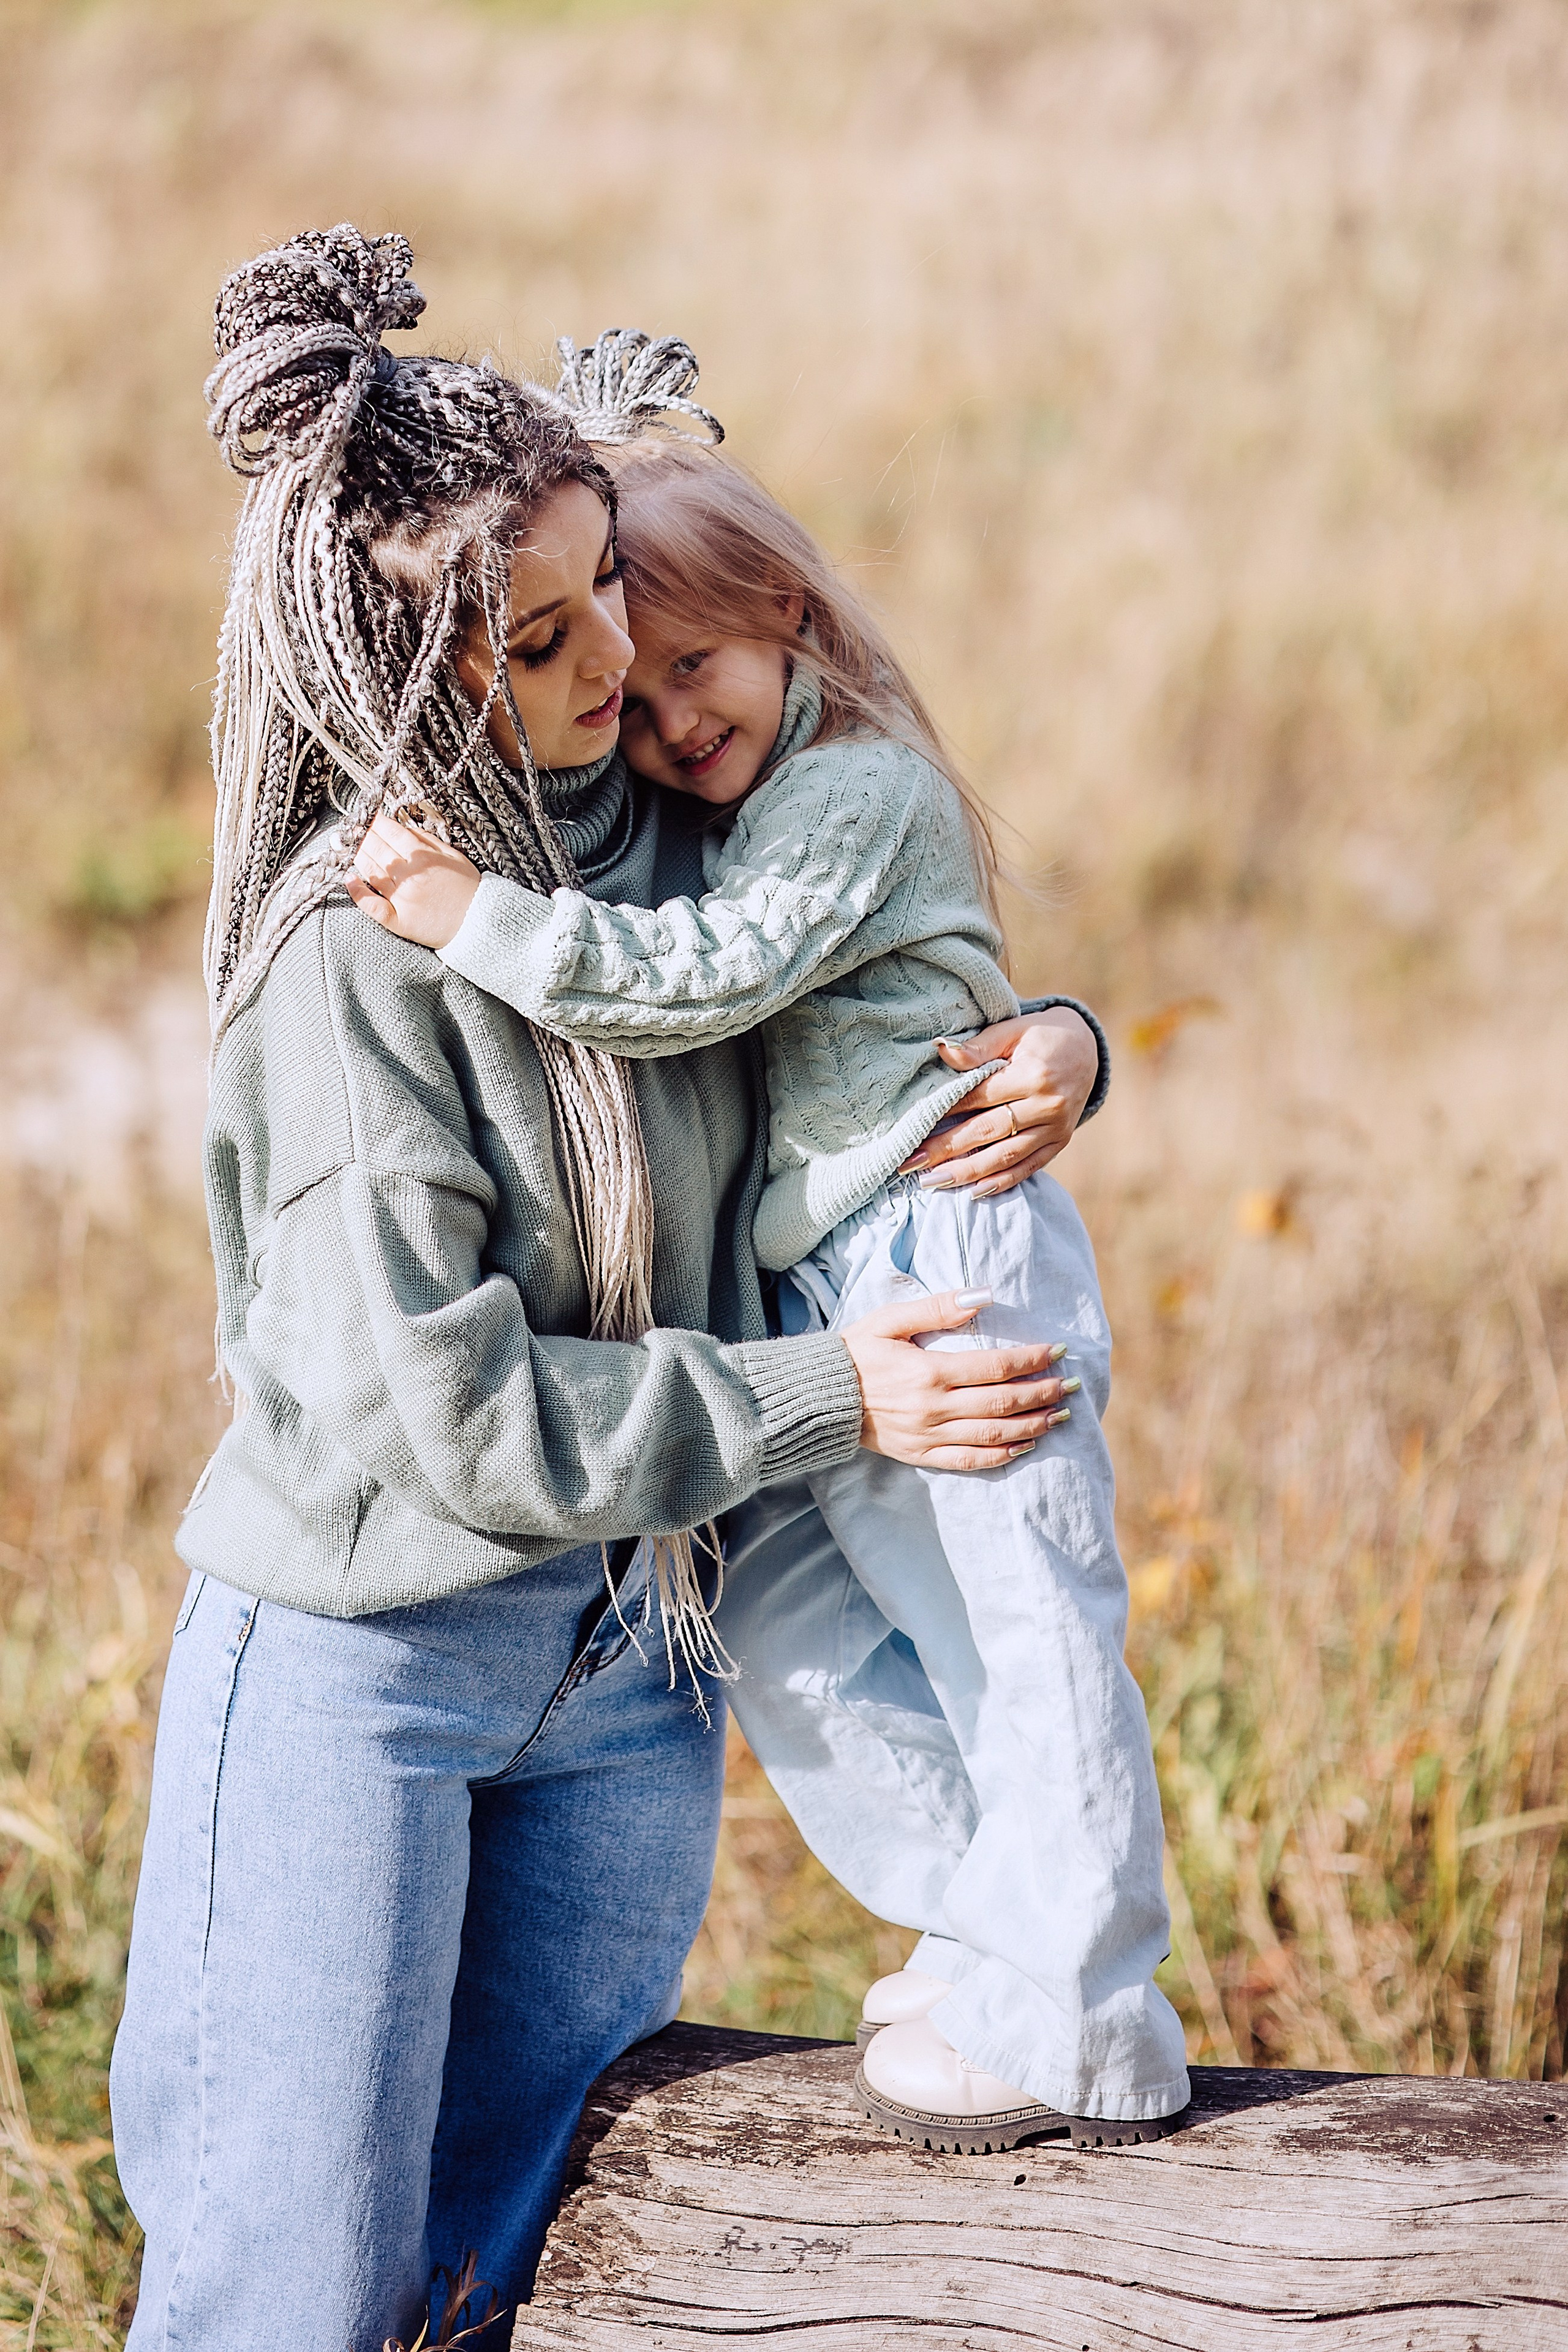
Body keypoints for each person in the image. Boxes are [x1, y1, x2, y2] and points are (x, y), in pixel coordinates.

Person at [110, 232, 1097, 2352]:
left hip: (633, 1669)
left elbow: (844, 955)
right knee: (283, 2293)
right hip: (371, 1660)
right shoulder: (364, 966)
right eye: (538, 637)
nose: (610, 667)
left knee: (518, 2268)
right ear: (394, 682)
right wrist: (826, 1395)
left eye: (611, 593)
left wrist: (1058, 1039)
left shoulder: (664, 827)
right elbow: (453, 1424)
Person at [348, 333, 1191, 2155]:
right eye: (633, 700)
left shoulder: (857, 789)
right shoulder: (688, 794)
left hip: (943, 1243)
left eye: (697, 670)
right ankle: (988, 1927)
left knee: (1024, 1629)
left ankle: (1092, 2017)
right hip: (828, 1294)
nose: (666, 724)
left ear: (792, 617)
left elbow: (709, 978)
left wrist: (466, 915)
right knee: (806, 1627)